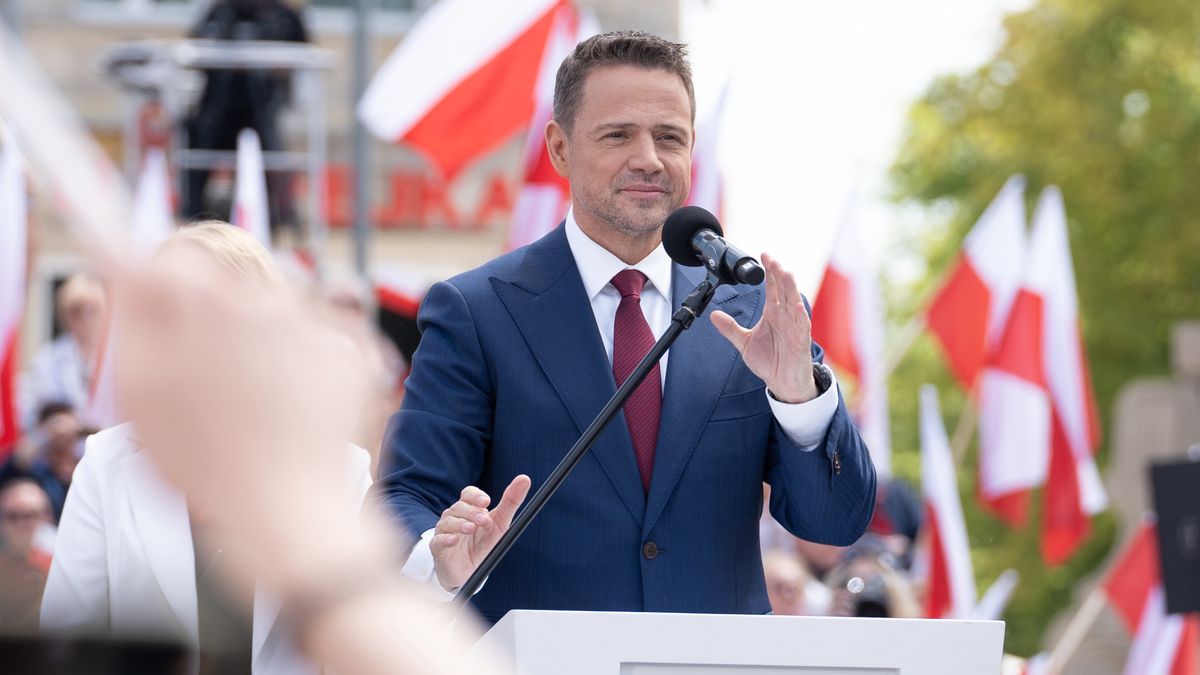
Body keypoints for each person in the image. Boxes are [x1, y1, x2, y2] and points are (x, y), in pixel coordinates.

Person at [376, 31, 877, 621]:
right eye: (618, 135)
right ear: (560, 149)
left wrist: (802, 400)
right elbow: (405, 495)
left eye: (671, 137)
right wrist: (440, 560)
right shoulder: (476, 310)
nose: (649, 158)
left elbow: (834, 521)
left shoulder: (757, 311)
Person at [39, 223, 372, 675]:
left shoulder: (339, 467)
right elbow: (67, 637)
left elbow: (366, 639)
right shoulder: (107, 461)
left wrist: (446, 568)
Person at [182, 0, 309, 228]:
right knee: (199, 154)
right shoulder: (219, 13)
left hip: (265, 108)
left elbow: (304, 54)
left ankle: (277, 220)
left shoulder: (283, 16)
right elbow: (195, 49)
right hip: (219, 106)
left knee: (271, 164)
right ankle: (194, 220)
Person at [19, 274, 106, 431]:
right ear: (65, 315)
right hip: (62, 449)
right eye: (77, 311)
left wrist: (80, 426)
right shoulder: (48, 359)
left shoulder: (116, 357)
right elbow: (29, 412)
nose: (85, 318)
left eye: (92, 311)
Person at [0, 403, 86, 522]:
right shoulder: (35, 470)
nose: (62, 435)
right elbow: (11, 468)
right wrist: (43, 434)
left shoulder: (86, 465)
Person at [0, 479, 54, 632]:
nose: (23, 523)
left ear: (47, 517)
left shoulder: (65, 568)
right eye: (13, 516)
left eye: (31, 515)